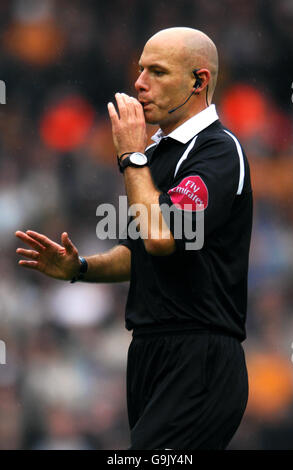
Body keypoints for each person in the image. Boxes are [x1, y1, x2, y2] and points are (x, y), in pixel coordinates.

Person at [16, 27, 253, 450]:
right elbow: (137, 253)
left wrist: (131, 155)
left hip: (199, 353)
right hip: (148, 352)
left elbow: (164, 237)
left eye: (157, 72)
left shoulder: (217, 151)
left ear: (199, 81)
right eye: (140, 69)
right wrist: (81, 269)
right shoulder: (158, 154)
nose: (140, 83)